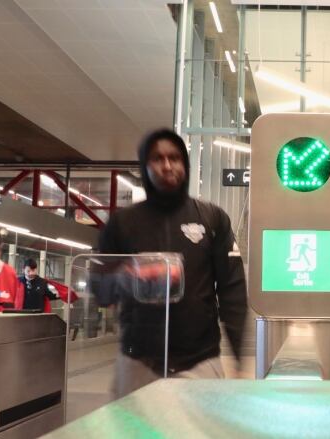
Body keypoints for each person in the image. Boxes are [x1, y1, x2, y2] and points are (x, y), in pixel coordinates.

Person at [97, 128, 247, 397]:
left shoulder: (212, 218)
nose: (167, 165)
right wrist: (126, 276)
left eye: (174, 157)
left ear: (185, 165)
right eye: (157, 158)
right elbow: (99, 287)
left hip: (200, 362)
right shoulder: (123, 222)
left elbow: (232, 291)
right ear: (145, 165)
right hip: (137, 362)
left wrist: (241, 357)